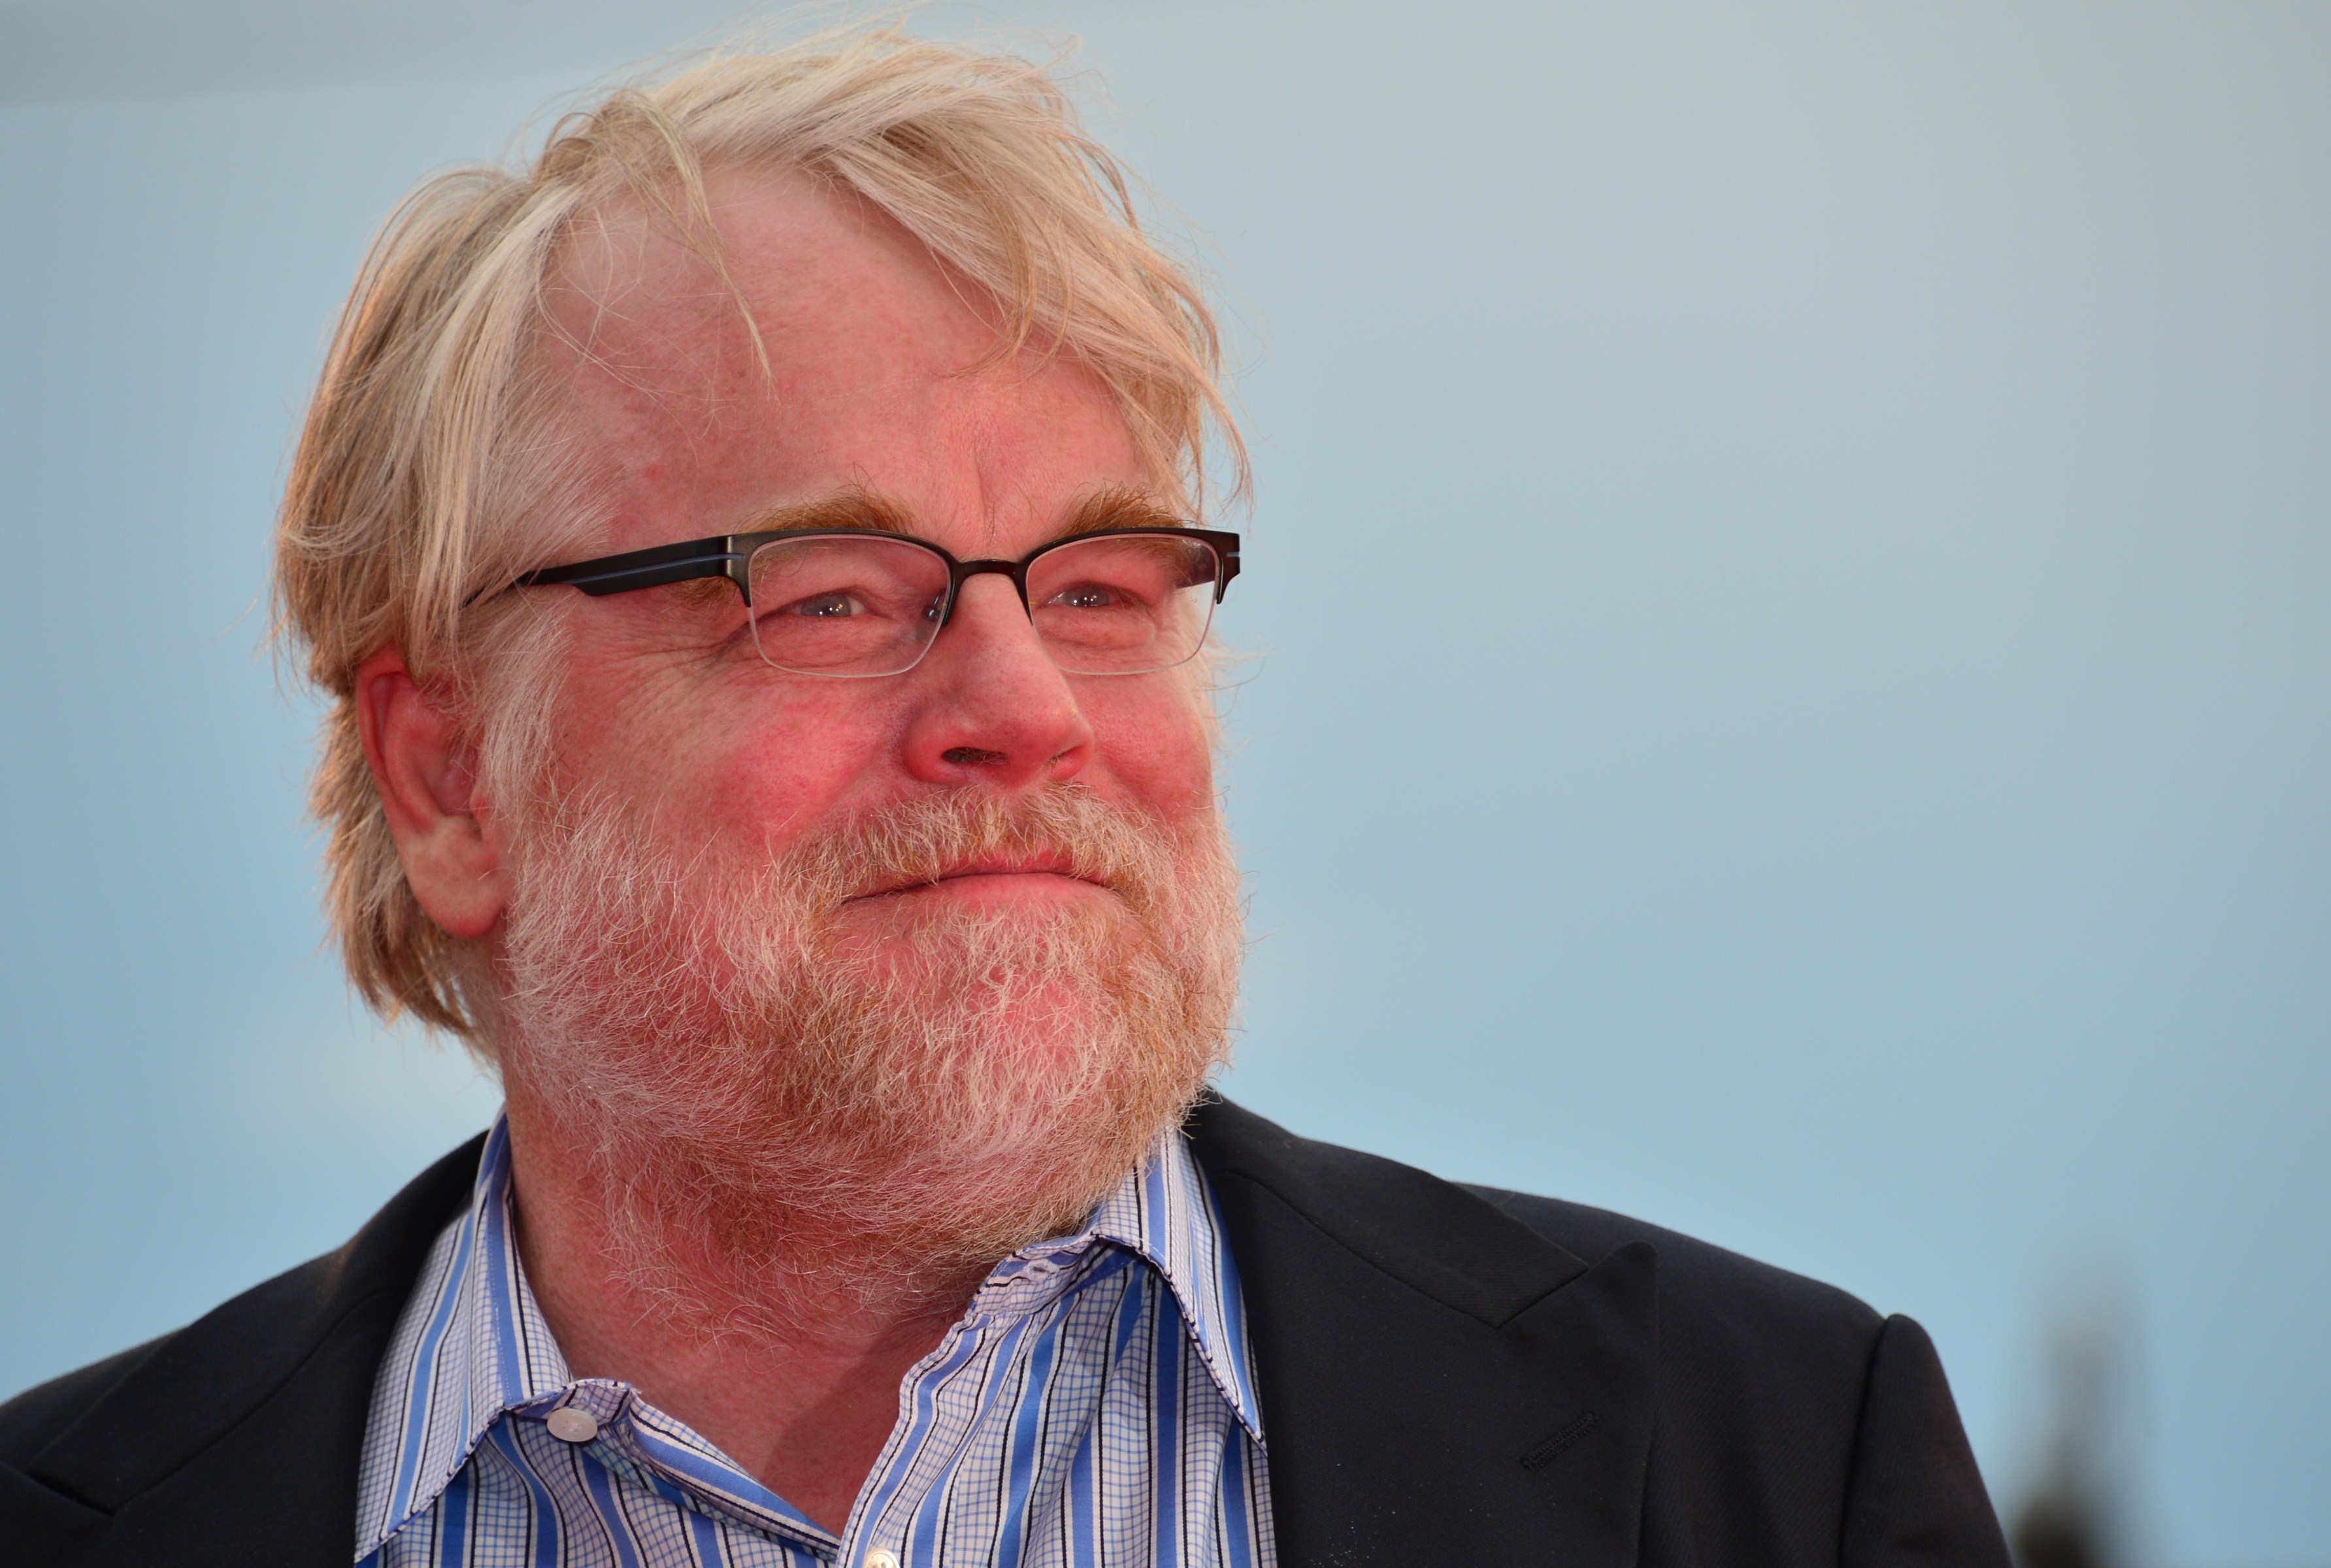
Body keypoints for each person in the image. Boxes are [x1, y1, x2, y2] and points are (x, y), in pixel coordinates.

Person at [0, 28, 2009, 1568]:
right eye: (830, 593)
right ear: (450, 779)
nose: (1023, 705)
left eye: (1103, 586)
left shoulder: (1761, 1465)